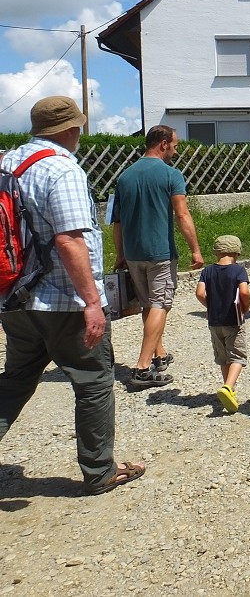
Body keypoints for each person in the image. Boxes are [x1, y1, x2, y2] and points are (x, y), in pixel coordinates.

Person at [0, 96, 145, 494]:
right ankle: (99, 472)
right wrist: (93, 303)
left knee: (16, 379)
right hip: (62, 299)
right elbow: (69, 240)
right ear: (69, 130)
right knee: (94, 380)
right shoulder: (61, 169)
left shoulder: (6, 164)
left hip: (13, 295)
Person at [112, 125, 204, 388]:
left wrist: (120, 254)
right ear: (163, 144)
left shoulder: (124, 177)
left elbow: (116, 222)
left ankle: (158, 353)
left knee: (148, 304)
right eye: (174, 144)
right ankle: (142, 368)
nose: (176, 149)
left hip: (132, 253)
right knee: (160, 304)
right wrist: (195, 249)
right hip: (160, 253)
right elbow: (182, 214)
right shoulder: (171, 175)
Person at [195, 235, 250, 414]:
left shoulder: (207, 271)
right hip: (233, 320)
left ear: (217, 252)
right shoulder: (239, 271)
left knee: (223, 356)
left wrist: (209, 305)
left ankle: (229, 391)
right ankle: (227, 387)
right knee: (237, 356)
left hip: (214, 321)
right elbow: (243, 291)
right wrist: (246, 306)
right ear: (237, 253)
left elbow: (199, 292)